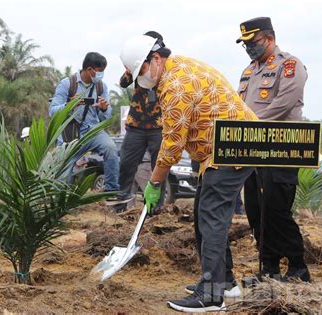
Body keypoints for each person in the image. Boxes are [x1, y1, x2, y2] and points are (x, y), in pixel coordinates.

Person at [120, 34, 258, 312]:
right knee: (204, 214)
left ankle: (212, 296)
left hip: (233, 146)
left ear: (155, 59)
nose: (141, 78)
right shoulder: (176, 67)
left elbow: (172, 143)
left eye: (142, 70)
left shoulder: (175, 85)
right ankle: (224, 282)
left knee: (211, 216)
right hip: (221, 147)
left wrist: (155, 182)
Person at [236, 17, 310, 282]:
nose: (249, 48)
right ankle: (269, 269)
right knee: (256, 211)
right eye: (244, 44)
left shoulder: (289, 65)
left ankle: (298, 266)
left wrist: (251, 126)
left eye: (253, 43)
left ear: (269, 38)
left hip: (282, 148)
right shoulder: (248, 71)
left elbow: (284, 104)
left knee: (277, 210)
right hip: (253, 151)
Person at [49, 52, 126, 201]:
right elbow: (53, 111)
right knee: (64, 170)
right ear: (89, 69)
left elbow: (106, 118)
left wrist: (104, 108)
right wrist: (69, 105)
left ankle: (111, 192)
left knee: (110, 148)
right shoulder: (67, 84)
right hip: (69, 133)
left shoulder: (100, 86)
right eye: (99, 71)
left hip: (92, 130)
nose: (101, 74)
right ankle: (60, 201)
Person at [115, 31, 166, 212]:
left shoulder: (161, 66)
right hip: (136, 125)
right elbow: (122, 83)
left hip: (158, 126)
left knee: (159, 166)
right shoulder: (138, 65)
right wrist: (130, 70)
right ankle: (122, 202)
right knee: (127, 164)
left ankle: (156, 206)